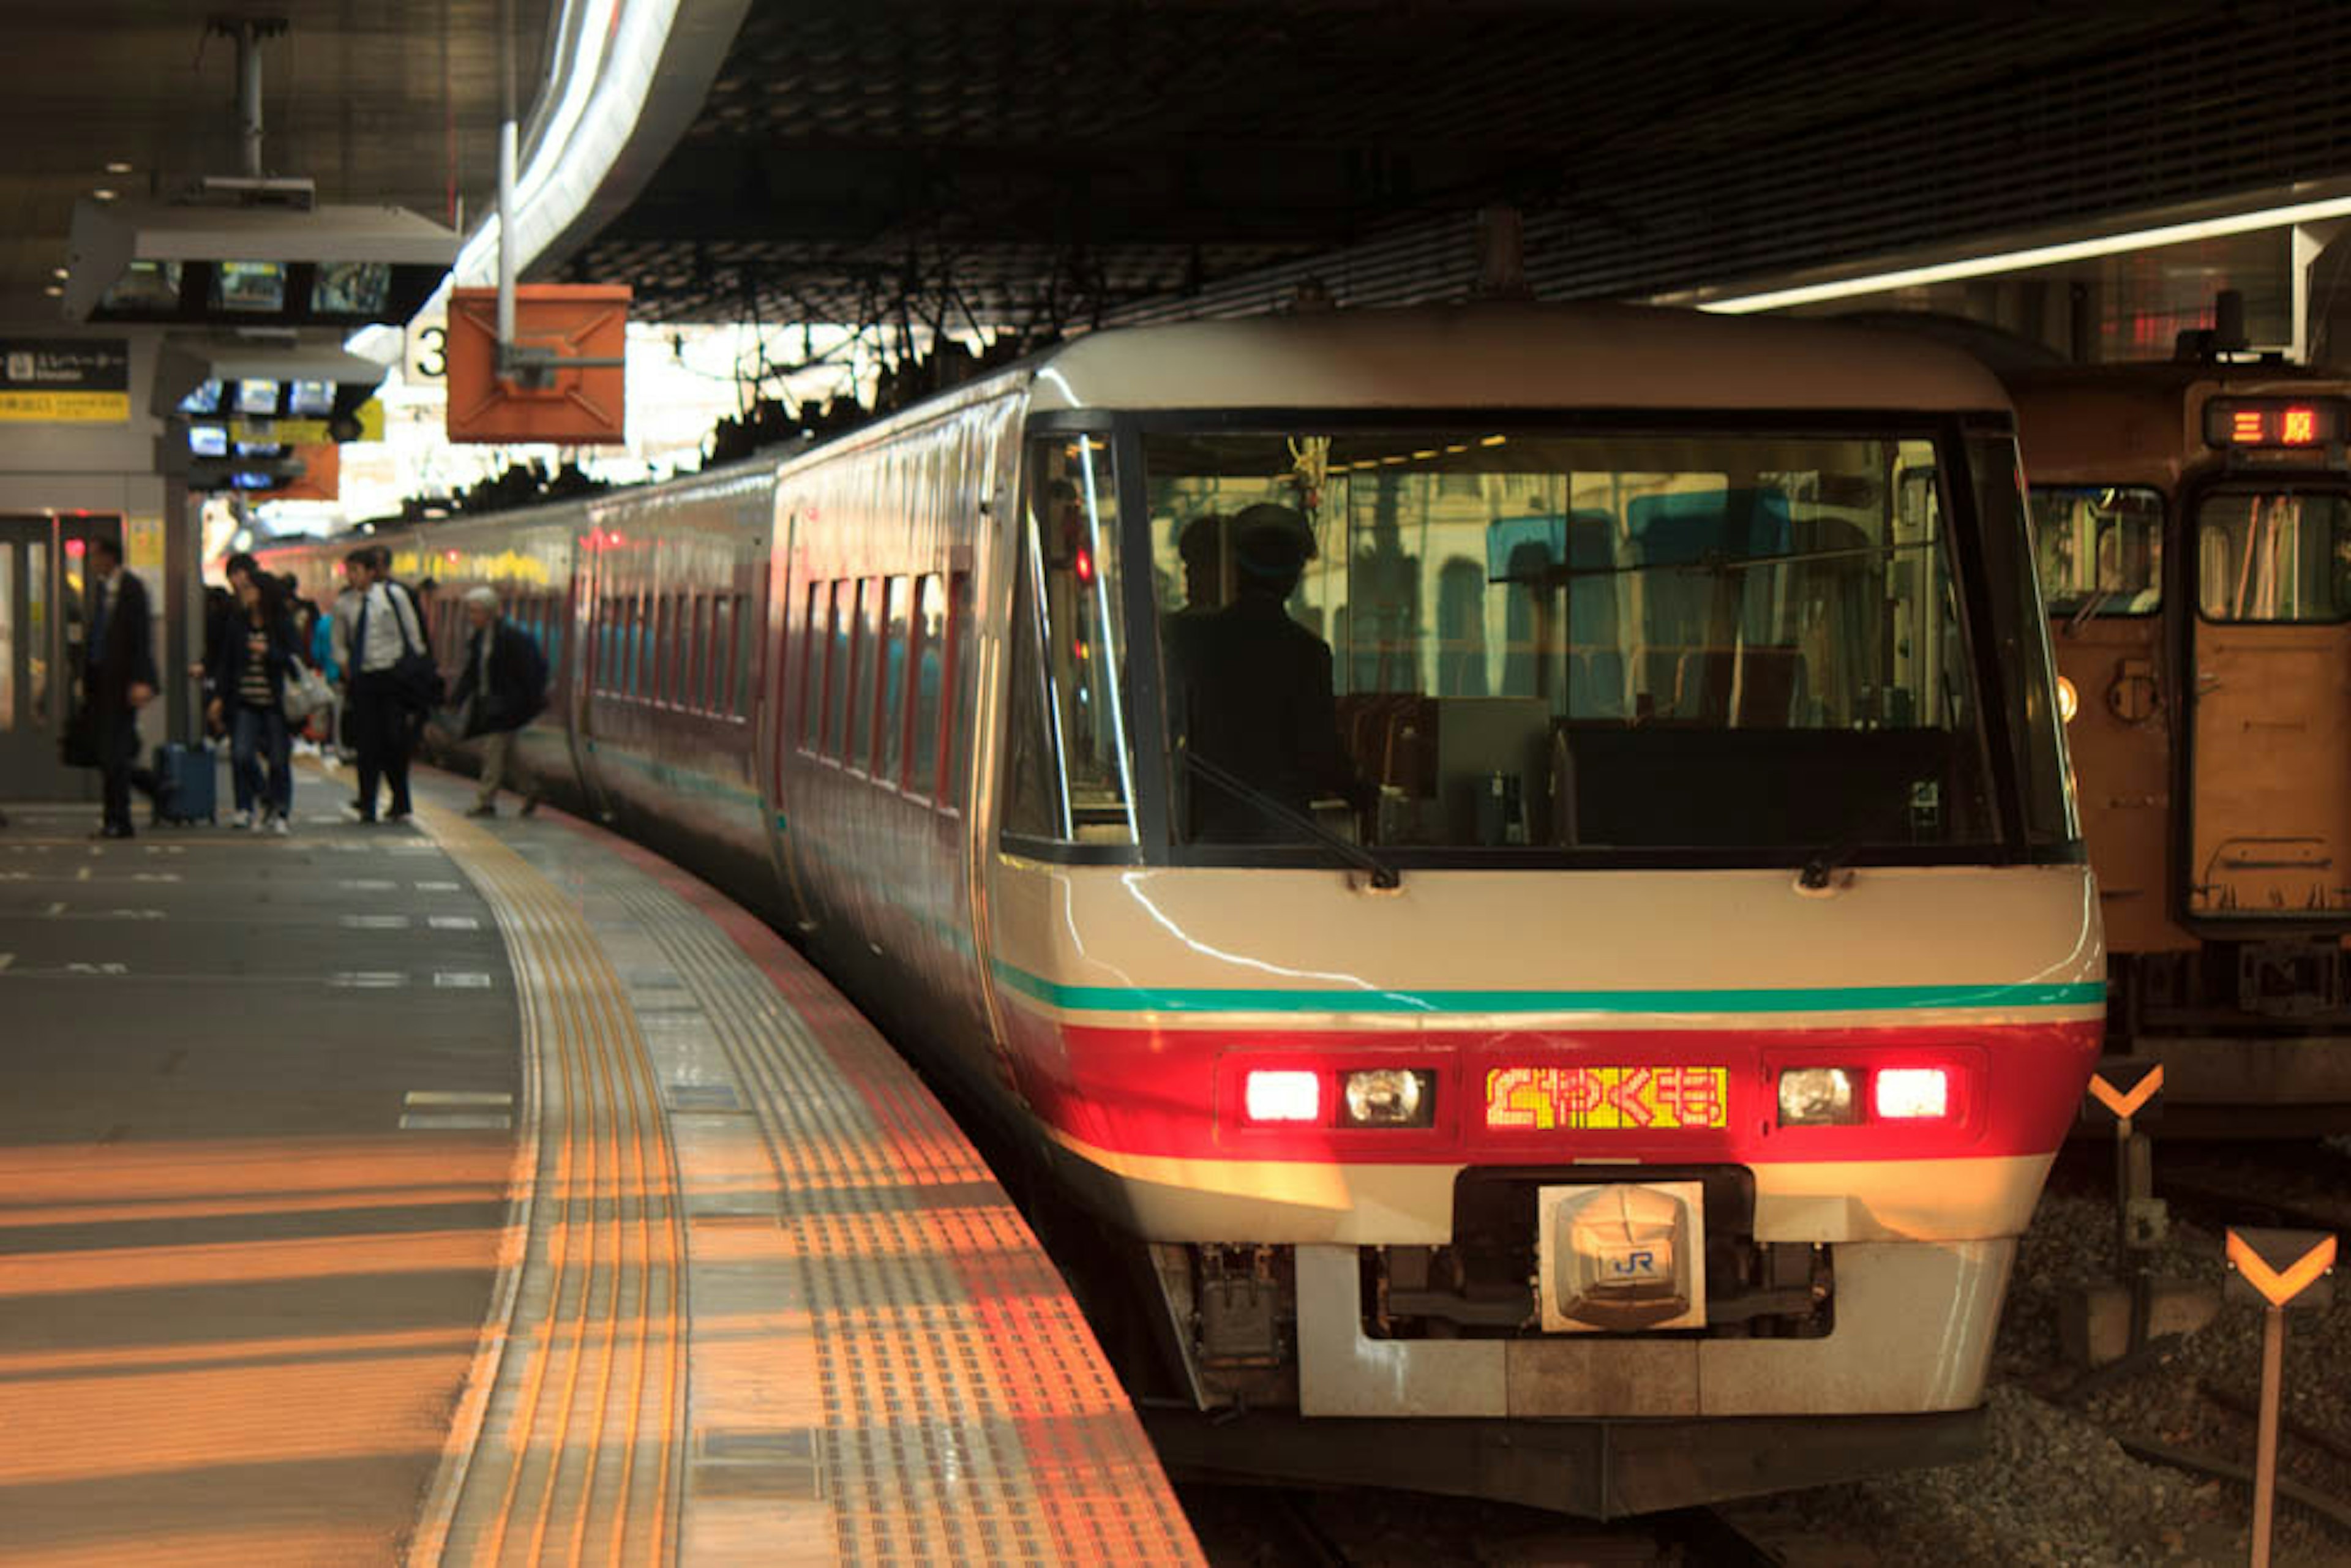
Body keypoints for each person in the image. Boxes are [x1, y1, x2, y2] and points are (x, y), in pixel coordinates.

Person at [1169, 502, 1367, 841]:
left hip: (1206, 839)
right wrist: (1362, 793)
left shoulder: (1191, 640)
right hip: (1284, 841)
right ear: (1293, 578)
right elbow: (1320, 752)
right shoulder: (1308, 654)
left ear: (1236, 568)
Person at [77, 535, 157, 839]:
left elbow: (141, 638)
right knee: (112, 752)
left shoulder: (131, 588)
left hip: (123, 684)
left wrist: (142, 680)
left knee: (116, 753)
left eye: (96, 555)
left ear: (110, 557)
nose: (93, 562)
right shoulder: (103, 589)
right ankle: (120, 811)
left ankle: (119, 818)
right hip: (102, 683)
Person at [207, 569, 300, 832]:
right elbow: (227, 663)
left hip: (276, 703)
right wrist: (219, 699)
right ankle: (266, 798)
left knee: (279, 760)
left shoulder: (281, 623)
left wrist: (269, 652)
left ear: (263, 594)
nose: (245, 594)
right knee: (241, 755)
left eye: (250, 589)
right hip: (245, 701)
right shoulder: (239, 622)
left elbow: (294, 660)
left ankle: (281, 811)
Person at [342, 546, 429, 823]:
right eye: (349, 571)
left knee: (394, 740)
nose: (351, 577)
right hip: (364, 680)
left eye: (356, 571)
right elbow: (339, 642)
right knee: (366, 744)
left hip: (392, 678)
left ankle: (400, 800)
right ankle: (368, 804)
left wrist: (414, 672)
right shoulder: (344, 604)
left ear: (371, 572)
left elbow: (414, 637)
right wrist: (345, 668)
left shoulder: (395, 596)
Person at [448, 586, 549, 817]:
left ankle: (485, 801)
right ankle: (531, 789)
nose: (472, 617)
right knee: (509, 754)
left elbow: (531, 672)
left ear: (490, 612)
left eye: (476, 612)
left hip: (507, 706)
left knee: (493, 751)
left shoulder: (512, 637)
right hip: (490, 704)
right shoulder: (480, 638)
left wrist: (525, 702)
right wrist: (457, 699)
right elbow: (472, 673)